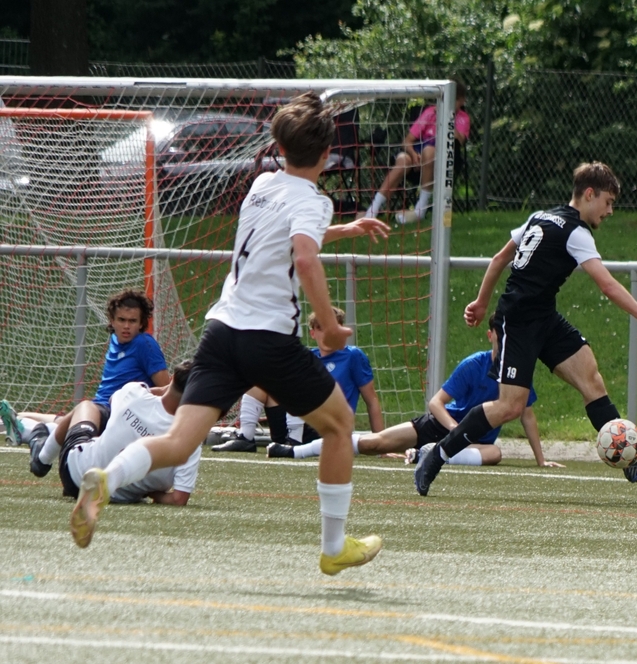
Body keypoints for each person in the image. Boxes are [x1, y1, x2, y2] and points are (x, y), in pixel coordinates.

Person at [68, 91, 392, 578]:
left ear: (280, 147)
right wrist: (329, 325)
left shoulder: (262, 184)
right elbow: (304, 256)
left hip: (221, 331)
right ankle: (333, 547)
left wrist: (342, 231)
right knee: (340, 425)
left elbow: (283, 235)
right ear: (327, 155)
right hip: (268, 339)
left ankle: (107, 479)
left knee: (179, 442)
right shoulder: (313, 200)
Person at [414, 161, 637, 496]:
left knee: (592, 380)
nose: (610, 211)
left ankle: (632, 462)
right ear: (589, 194)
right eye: (608, 202)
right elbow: (608, 285)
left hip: (544, 317)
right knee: (510, 406)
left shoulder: (539, 216)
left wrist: (481, 302)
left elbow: (499, 259)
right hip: (518, 322)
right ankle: (437, 455)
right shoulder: (576, 232)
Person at [271, 314, 563, 468]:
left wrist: (541, 460)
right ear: (490, 336)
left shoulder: (518, 372)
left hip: (473, 444)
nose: (508, 341)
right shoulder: (474, 364)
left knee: (495, 453)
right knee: (374, 444)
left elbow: (527, 415)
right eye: (502, 335)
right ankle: (293, 451)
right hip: (439, 426)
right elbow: (436, 403)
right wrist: (455, 430)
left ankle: (428, 454)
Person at [25, 361, 201, 506]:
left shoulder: (134, 392)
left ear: (172, 377)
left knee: (88, 406)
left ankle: (42, 459)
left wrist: (159, 394)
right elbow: (179, 499)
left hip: (75, 473)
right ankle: (46, 433)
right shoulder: (190, 439)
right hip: (116, 499)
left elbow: (111, 402)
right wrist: (153, 493)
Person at [17, 289, 170, 452]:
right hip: (99, 407)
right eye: (121, 320)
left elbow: (165, 390)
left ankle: (33, 433)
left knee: (73, 426)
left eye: (132, 321)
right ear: (112, 321)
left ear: (141, 323)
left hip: (119, 414)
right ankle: (14, 420)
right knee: (64, 421)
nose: (126, 326)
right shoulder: (115, 339)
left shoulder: (144, 344)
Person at [215, 308, 384, 453]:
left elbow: (372, 401)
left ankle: (294, 441)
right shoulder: (308, 357)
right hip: (295, 424)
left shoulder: (352, 356)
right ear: (313, 333)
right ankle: (246, 438)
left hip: (328, 427)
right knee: (261, 382)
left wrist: (381, 446)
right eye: (321, 328)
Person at [364, 79, 470, 225]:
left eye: (455, 100)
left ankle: (421, 209)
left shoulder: (463, 118)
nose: (450, 103)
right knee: (403, 160)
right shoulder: (430, 112)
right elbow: (407, 141)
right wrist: (414, 155)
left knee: (429, 151)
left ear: (462, 101)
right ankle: (373, 209)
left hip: (443, 157)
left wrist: (448, 118)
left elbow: (461, 140)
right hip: (417, 152)